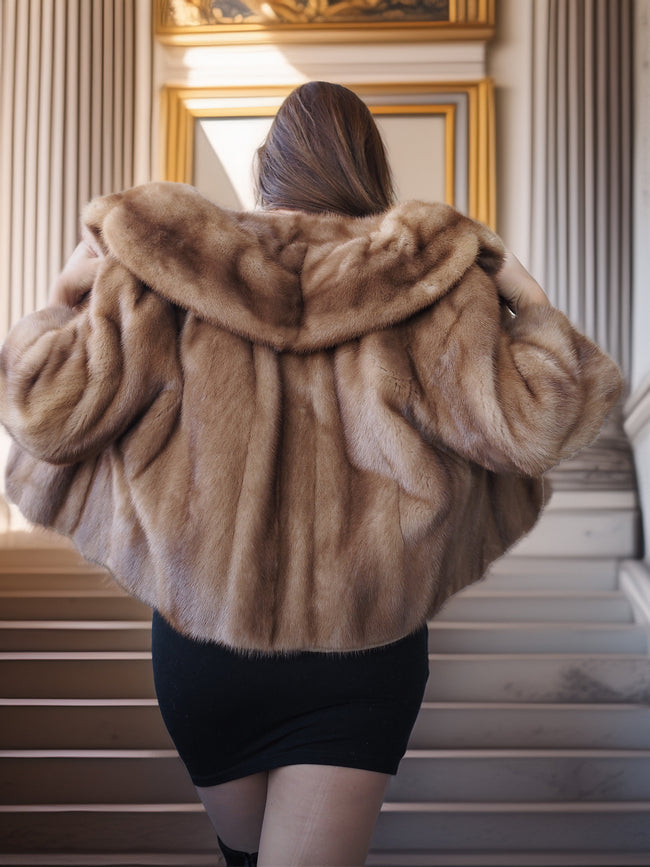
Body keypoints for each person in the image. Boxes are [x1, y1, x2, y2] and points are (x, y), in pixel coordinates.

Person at [0, 81, 622, 867]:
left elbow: (46, 411)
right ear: (368, 168)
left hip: (206, 643)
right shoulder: (433, 280)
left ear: (267, 170)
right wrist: (523, 294)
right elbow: (542, 421)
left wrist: (62, 294)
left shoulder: (168, 268)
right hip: (363, 647)